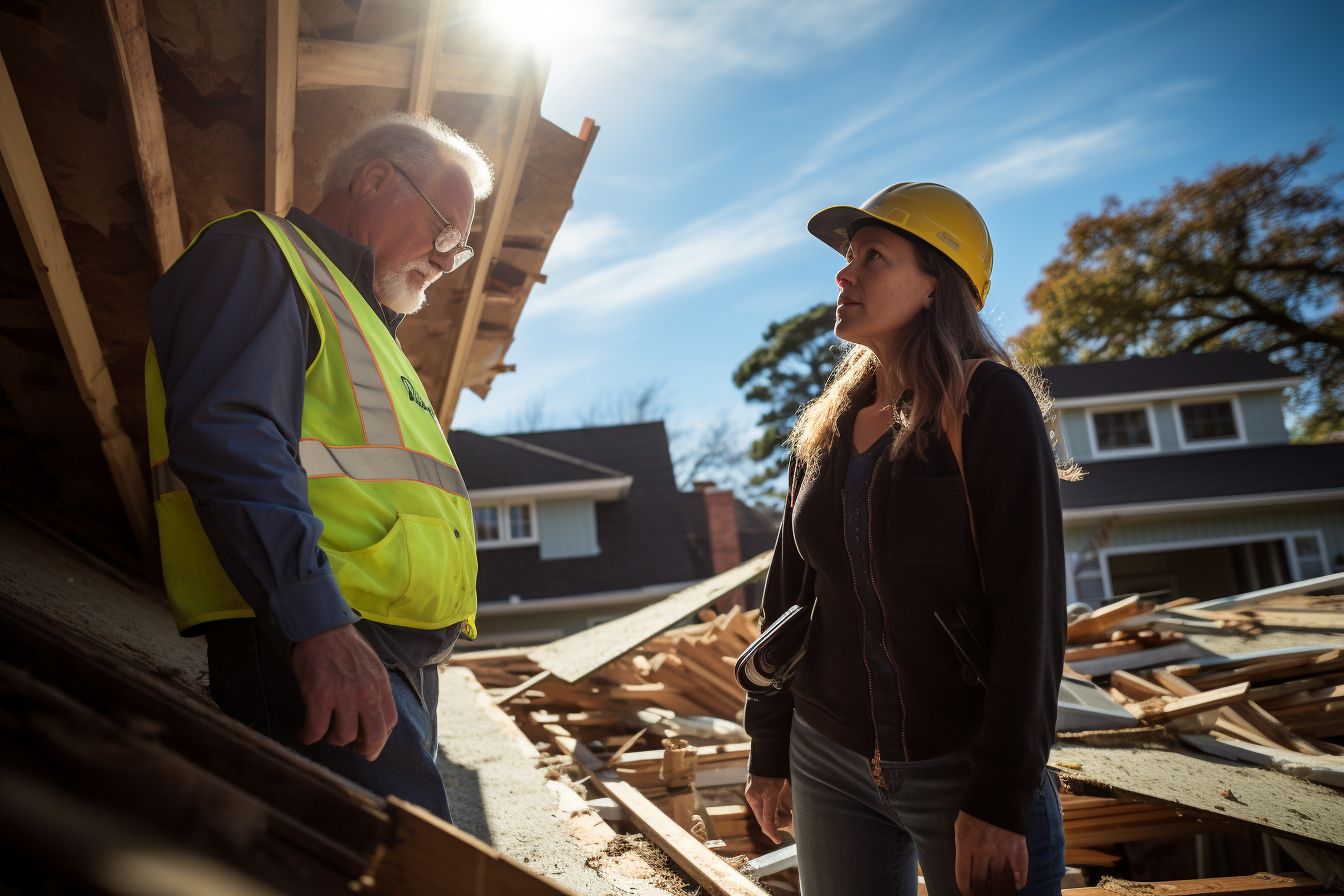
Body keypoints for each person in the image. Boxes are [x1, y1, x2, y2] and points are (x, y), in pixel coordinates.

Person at [145, 113, 494, 822]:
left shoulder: (365, 322)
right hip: (319, 637)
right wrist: (317, 624)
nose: (447, 261)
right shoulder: (258, 255)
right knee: (398, 867)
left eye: (459, 249)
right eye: (445, 232)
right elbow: (232, 438)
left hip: (381, 656)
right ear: (374, 179)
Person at [743, 182, 1072, 895]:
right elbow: (789, 595)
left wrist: (1000, 792)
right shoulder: (826, 426)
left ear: (934, 286)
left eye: (874, 257)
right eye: (848, 257)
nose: (845, 274)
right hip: (827, 759)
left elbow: (1032, 611)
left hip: (963, 766)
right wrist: (768, 744)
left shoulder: (989, 404)